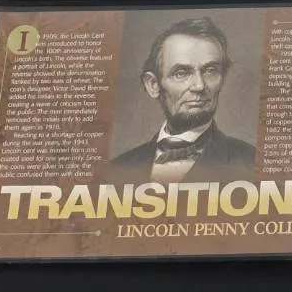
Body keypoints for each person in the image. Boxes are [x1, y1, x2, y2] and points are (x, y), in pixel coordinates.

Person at [109, 18, 255, 183]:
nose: (199, 86)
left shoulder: (251, 163)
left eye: (210, 71)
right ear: (153, 85)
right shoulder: (117, 168)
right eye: (181, 73)